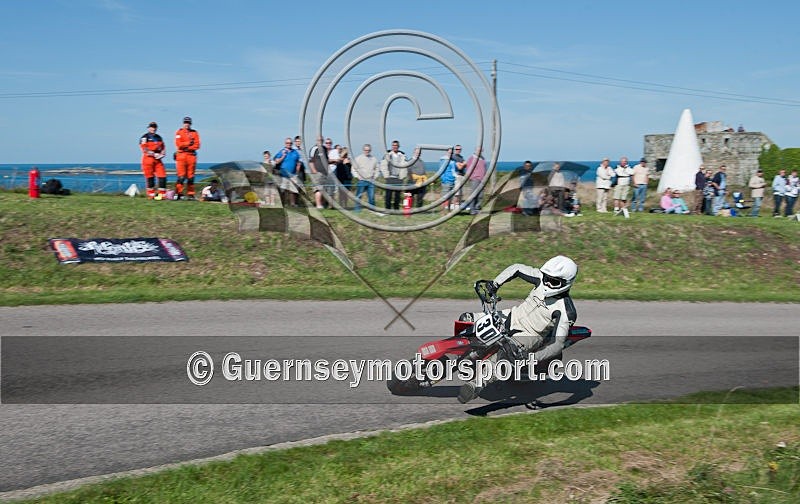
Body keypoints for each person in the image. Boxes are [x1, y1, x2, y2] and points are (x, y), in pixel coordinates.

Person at [457, 256, 579, 403]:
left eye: (553, 281)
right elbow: (516, 268)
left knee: (505, 353)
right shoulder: (540, 278)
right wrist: (495, 284)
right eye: (546, 277)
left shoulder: (566, 310)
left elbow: (557, 345)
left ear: (566, 283)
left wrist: (533, 359)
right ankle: (463, 354)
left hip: (529, 334)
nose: (546, 283)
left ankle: (476, 384)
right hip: (511, 316)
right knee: (466, 319)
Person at [174, 116, 201, 200]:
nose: (187, 124)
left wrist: (187, 147)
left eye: (188, 123)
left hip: (191, 156)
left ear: (191, 124)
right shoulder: (179, 132)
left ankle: (191, 194)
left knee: (191, 177)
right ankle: (178, 193)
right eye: (185, 123)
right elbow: (178, 144)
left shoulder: (195, 133)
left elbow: (197, 145)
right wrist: (189, 143)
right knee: (181, 176)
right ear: (183, 123)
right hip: (181, 156)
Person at [139, 121, 167, 200]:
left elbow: (163, 147)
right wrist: (154, 154)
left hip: (158, 160)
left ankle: (161, 195)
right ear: (148, 128)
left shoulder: (159, 137)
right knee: (150, 177)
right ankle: (151, 195)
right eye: (151, 127)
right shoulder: (145, 137)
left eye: (154, 127)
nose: (153, 129)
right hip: (148, 159)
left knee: (162, 176)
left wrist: (163, 154)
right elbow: (144, 148)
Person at [274, 137, 301, 207]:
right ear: (285, 143)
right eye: (287, 143)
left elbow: (298, 163)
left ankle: (292, 204)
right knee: (282, 190)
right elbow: (277, 161)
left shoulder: (295, 152)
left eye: (290, 143)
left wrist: (297, 173)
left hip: (293, 174)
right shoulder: (281, 151)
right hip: (283, 175)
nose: (289, 144)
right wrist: (283, 156)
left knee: (293, 190)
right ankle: (282, 204)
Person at [382, 140, 406, 210]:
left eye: (396, 145)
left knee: (397, 196)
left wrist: (402, 176)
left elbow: (405, 166)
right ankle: (388, 209)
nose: (394, 147)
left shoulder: (402, 155)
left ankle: (396, 209)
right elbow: (383, 165)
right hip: (390, 178)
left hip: (398, 178)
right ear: (392, 146)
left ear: (398, 146)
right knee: (388, 195)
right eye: (393, 145)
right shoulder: (388, 154)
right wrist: (386, 176)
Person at [353, 143, 377, 211]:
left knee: (371, 197)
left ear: (370, 150)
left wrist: (374, 177)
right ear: (363, 150)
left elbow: (377, 168)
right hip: (361, 180)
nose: (367, 151)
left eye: (368, 150)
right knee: (359, 195)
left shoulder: (374, 159)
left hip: (371, 180)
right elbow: (353, 168)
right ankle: (357, 209)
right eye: (365, 150)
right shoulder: (358, 158)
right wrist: (357, 177)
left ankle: (372, 210)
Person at [464, 146, 486, 214]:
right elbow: (468, 168)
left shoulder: (482, 158)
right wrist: (470, 177)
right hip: (475, 178)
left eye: (481, 150)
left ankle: (477, 208)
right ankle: (472, 209)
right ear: (476, 150)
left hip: (482, 179)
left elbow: (484, 168)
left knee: (480, 195)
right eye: (478, 150)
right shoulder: (472, 158)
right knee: (473, 194)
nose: (480, 151)